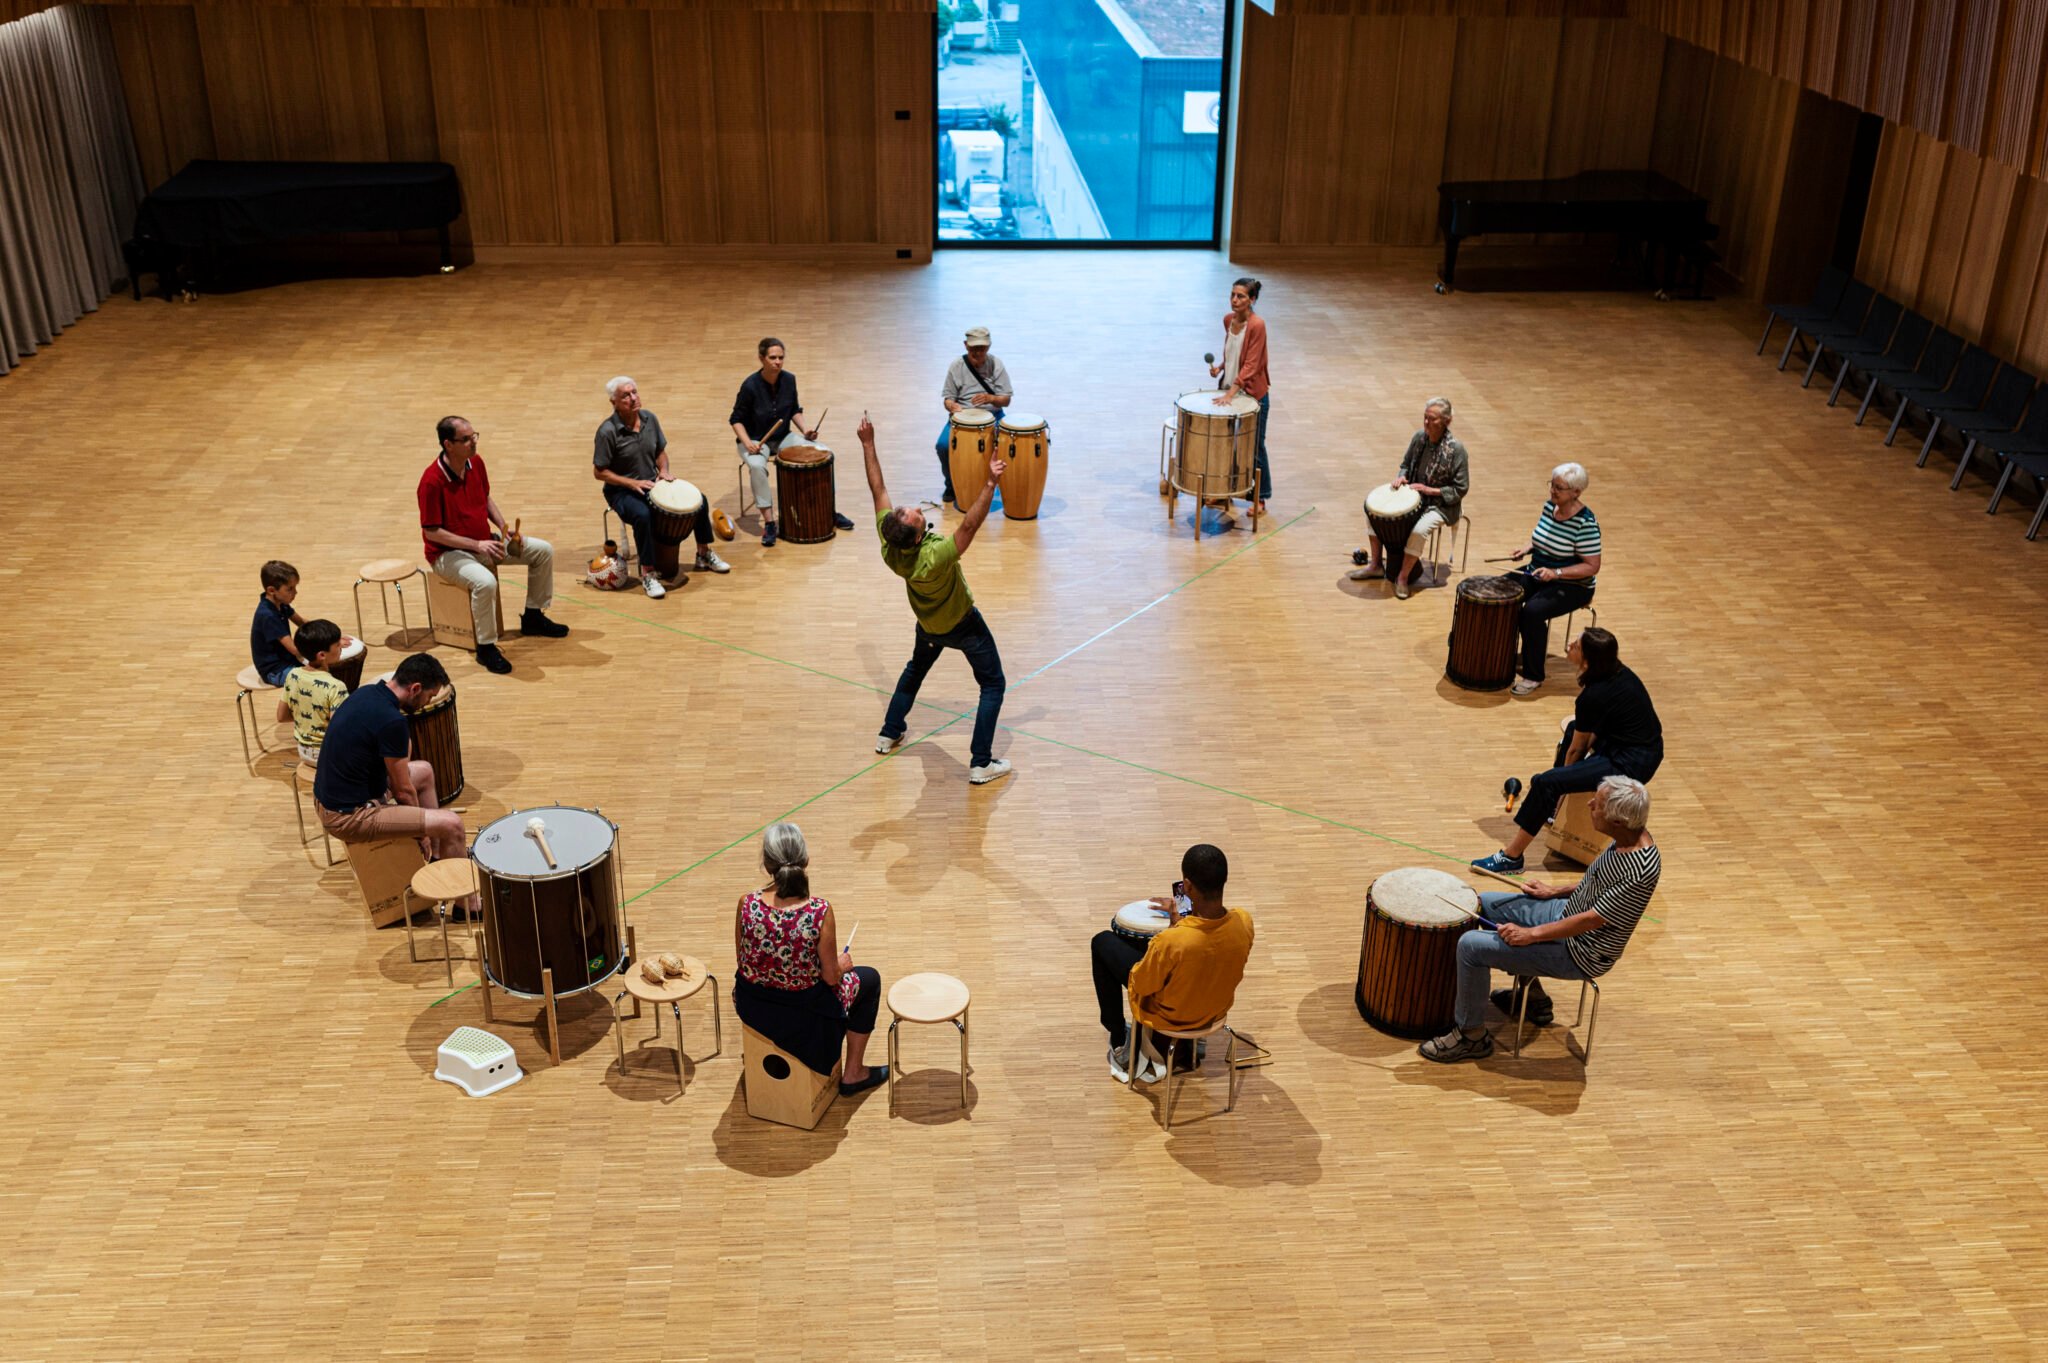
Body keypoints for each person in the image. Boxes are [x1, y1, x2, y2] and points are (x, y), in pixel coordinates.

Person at [1423, 776, 1659, 1062]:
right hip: (1566, 913)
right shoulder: (1626, 836)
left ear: (1618, 821)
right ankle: (1532, 995)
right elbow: (1598, 881)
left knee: (1470, 946)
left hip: (1580, 950)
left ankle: (1471, 1036)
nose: (1589, 804)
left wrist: (1530, 934)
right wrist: (1554, 890)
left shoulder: (1640, 869)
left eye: (1597, 805)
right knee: (1481, 904)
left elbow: (1592, 920)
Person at [861, 413, 1012, 785]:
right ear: (916, 536)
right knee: (993, 685)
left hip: (929, 626)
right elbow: (970, 525)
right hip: (964, 625)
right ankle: (981, 762)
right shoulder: (936, 555)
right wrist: (990, 482)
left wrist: (868, 444)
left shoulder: (890, 546)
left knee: (914, 672)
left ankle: (889, 731)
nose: (909, 508)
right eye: (913, 514)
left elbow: (878, 490)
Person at [1473, 627, 1663, 875]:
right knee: (1574, 727)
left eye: (1576, 645)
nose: (1570, 644)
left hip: (1630, 762)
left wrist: (1559, 786)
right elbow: (1594, 727)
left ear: (1587, 659)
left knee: (1545, 783)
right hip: (1637, 745)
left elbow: (1577, 750)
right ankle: (1549, 807)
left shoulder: (1593, 696)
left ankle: (1512, 857)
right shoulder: (1618, 674)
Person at [311, 652, 477, 917]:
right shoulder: (392, 721)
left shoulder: (367, 693)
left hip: (337, 796)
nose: (426, 703)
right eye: (428, 697)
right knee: (451, 824)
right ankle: (466, 907)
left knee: (423, 771)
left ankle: (437, 856)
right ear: (415, 689)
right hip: (348, 815)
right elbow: (402, 790)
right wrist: (420, 834)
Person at [730, 822, 886, 1096]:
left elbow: (744, 963)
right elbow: (830, 977)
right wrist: (842, 964)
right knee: (870, 979)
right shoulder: (819, 912)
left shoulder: (747, 904)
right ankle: (853, 1074)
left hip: (753, 1006)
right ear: (805, 860)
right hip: (804, 1016)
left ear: (767, 864)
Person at [1088, 844, 1255, 1083]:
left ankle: (1118, 1036)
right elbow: (1210, 954)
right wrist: (1181, 926)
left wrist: (1167, 937)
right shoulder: (1244, 922)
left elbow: (1142, 985)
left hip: (1170, 1017)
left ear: (1187, 886)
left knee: (1102, 942)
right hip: (1215, 1011)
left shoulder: (1172, 941)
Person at [419, 416, 567, 675]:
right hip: (448, 554)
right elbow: (432, 533)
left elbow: (484, 497)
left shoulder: (475, 463)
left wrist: (503, 528)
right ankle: (486, 647)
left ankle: (533, 617)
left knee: (542, 551)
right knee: (485, 582)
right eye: (465, 439)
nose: (473, 442)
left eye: (474, 435)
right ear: (448, 444)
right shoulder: (431, 482)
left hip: (485, 542)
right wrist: (477, 545)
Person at [592, 375, 729, 598]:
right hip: (620, 491)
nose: (633, 398)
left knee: (700, 500)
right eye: (626, 395)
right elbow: (599, 472)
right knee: (643, 515)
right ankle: (648, 574)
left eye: (634, 392)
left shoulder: (649, 419)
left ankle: (703, 553)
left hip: (651, 483)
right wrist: (631, 482)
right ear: (614, 403)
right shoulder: (607, 431)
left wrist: (663, 471)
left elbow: (660, 453)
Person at [728, 337, 856, 546]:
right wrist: (748, 443)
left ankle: (829, 511)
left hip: (783, 437)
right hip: (755, 440)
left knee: (824, 453)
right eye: (772, 358)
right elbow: (736, 420)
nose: (777, 362)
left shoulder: (789, 380)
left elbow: (794, 409)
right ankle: (770, 524)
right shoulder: (750, 386)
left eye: (781, 357)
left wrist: (805, 430)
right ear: (762, 358)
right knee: (757, 466)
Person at [1350, 397, 1470, 600]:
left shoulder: (1457, 450)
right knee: (1374, 512)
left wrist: (1429, 490)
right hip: (1413, 496)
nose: (1426, 423)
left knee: (1419, 530)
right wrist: (1401, 478)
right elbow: (1405, 464)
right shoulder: (1419, 438)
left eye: (1431, 419)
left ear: (1446, 422)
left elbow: (1461, 488)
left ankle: (1403, 578)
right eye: (1425, 418)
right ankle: (1376, 565)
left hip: (1440, 505)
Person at [1502, 462, 1601, 695]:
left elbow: (1592, 566)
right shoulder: (1550, 507)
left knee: (1532, 612)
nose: (1553, 491)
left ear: (1576, 492)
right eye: (1552, 485)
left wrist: (1556, 573)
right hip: (1538, 572)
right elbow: (1541, 538)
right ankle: (1500, 654)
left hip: (1572, 585)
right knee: (1500, 591)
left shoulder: (1585, 524)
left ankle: (1533, 674)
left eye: (1559, 488)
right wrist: (1526, 548)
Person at [1208, 277, 1272, 520]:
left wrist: (1231, 393)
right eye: (1233, 295)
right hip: (1229, 390)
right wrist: (1221, 368)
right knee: (1226, 445)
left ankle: (1261, 496)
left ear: (1252, 300)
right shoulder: (1228, 320)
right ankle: (1224, 491)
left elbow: (1252, 364)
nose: (1235, 300)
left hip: (1253, 395)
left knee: (1255, 448)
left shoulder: (1257, 325)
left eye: (1241, 296)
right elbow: (1234, 351)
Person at [934, 325, 1013, 507]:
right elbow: (947, 398)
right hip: (962, 419)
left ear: (989, 346)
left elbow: (1006, 400)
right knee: (943, 445)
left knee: (1009, 443)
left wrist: (990, 398)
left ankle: (1004, 483)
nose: (978, 353)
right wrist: (951, 406)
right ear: (966, 346)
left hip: (993, 415)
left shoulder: (996, 364)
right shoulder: (957, 366)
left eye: (982, 349)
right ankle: (951, 484)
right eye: (974, 349)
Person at [276, 619, 350, 762]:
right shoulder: (336, 686)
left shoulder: (293, 675)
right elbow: (339, 730)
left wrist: (310, 718)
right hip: (328, 755)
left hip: (303, 752)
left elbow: (282, 716)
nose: (341, 646)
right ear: (322, 655)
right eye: (337, 644)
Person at [250, 559, 308, 686]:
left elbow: (302, 622)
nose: (295, 592)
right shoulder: (268, 615)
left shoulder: (280, 604)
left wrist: (329, 635)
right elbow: (294, 649)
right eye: (290, 589)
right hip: (275, 670)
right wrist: (323, 649)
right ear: (271, 590)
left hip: (287, 662)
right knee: (315, 679)